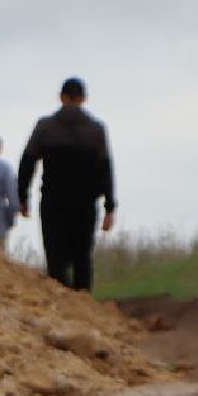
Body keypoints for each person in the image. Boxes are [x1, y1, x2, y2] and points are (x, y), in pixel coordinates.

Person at [17, 77, 116, 291]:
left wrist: (22, 197)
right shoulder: (96, 130)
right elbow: (106, 170)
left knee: (55, 258)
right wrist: (110, 207)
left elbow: (27, 162)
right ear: (84, 99)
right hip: (85, 203)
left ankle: (61, 304)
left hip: (54, 201)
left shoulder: (45, 127)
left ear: (61, 97)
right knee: (82, 258)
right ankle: (83, 303)